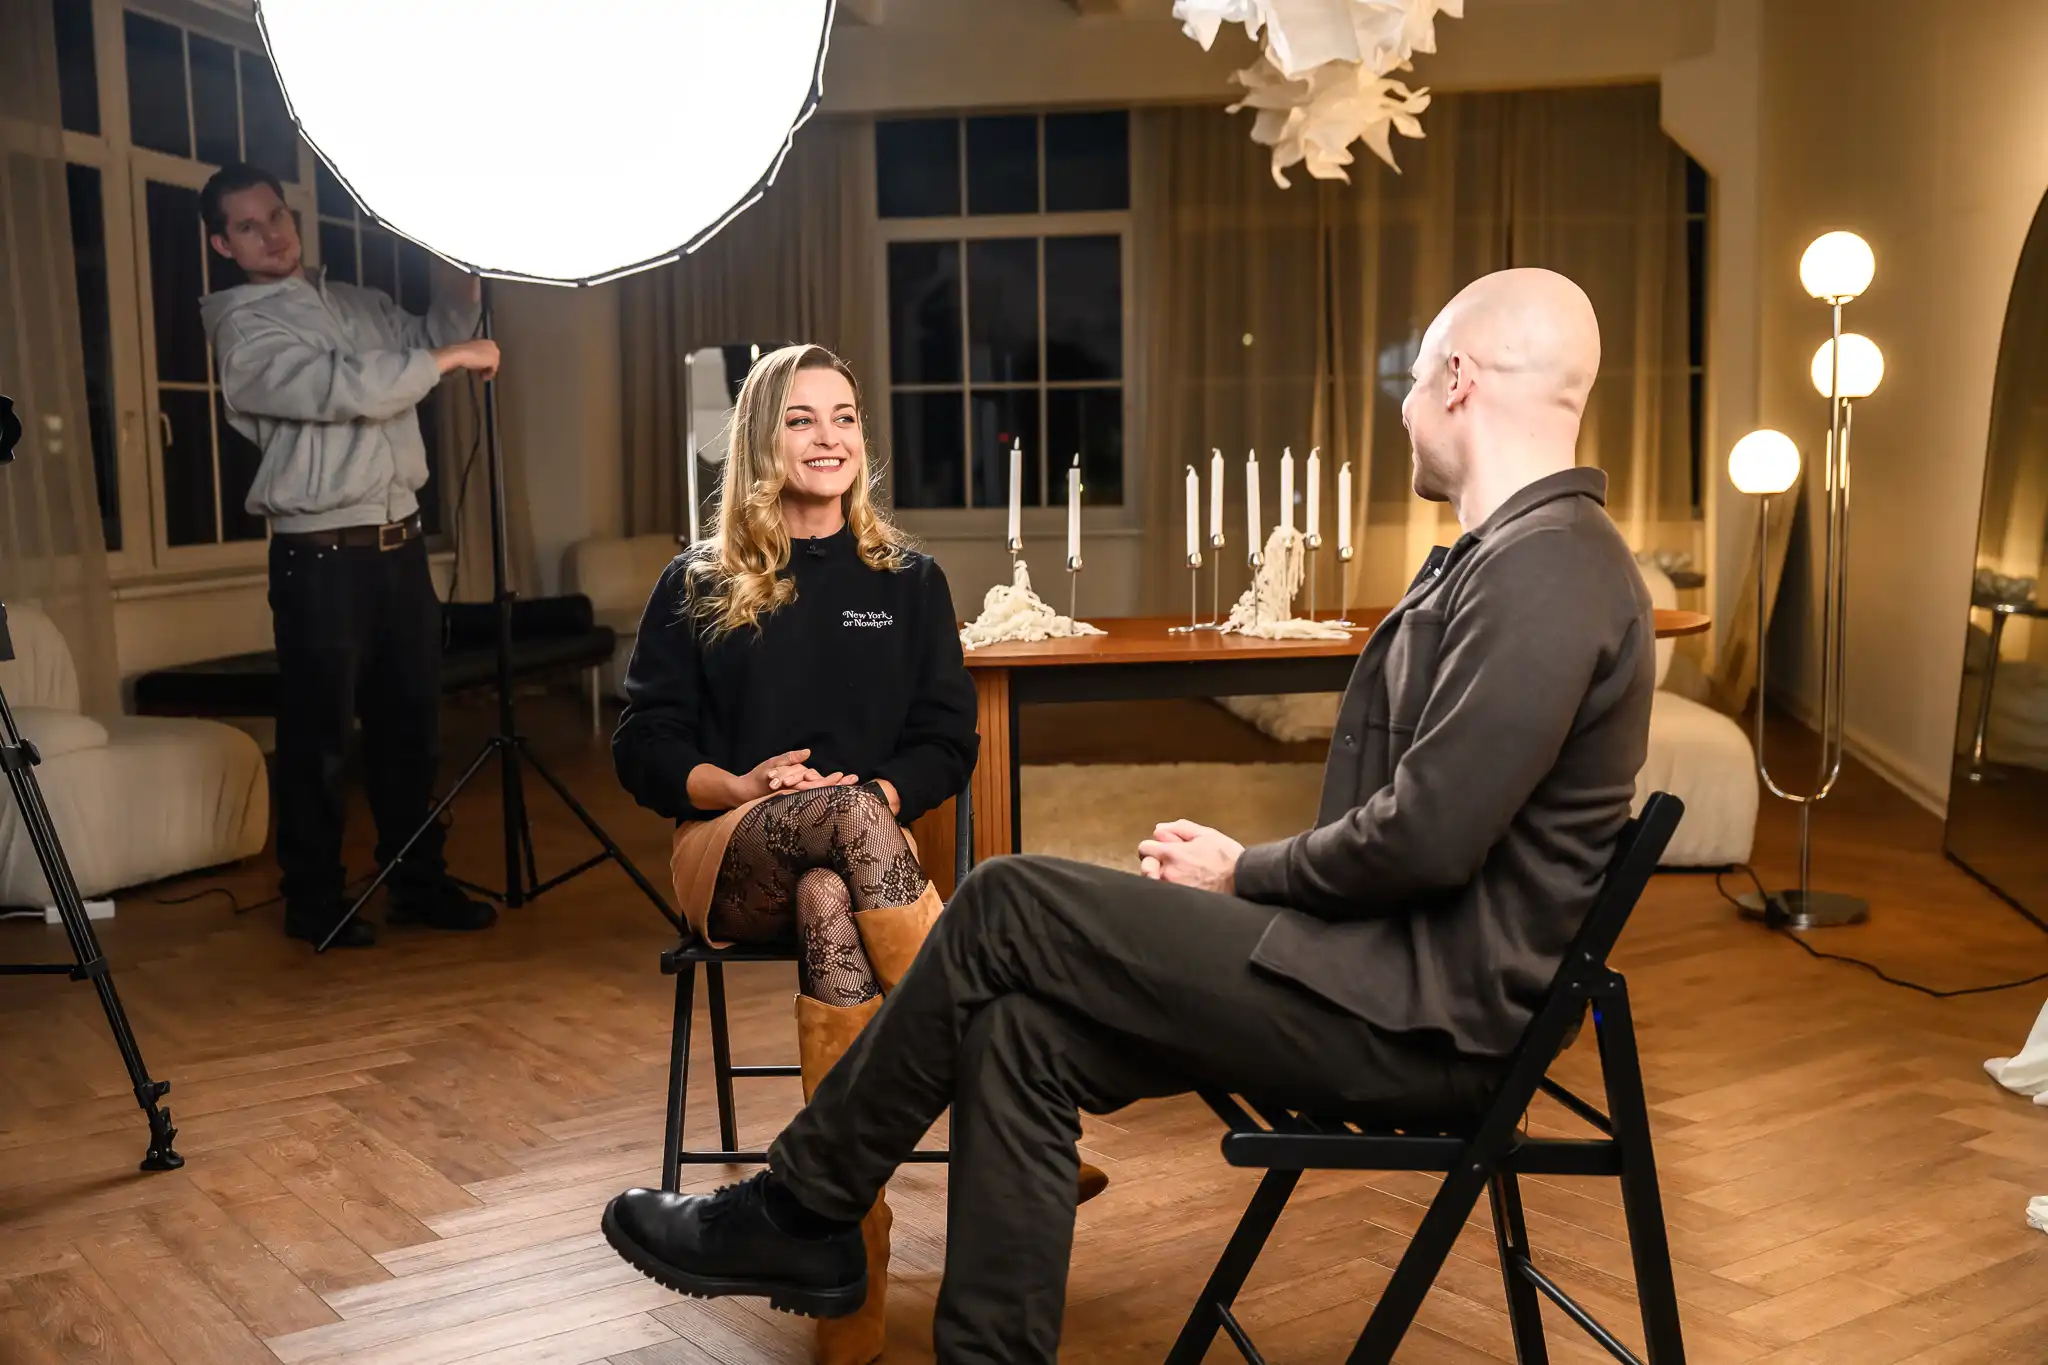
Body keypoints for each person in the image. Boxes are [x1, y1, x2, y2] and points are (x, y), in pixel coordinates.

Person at [600, 269, 1657, 1362]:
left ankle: (799, 1205)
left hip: (1412, 1020)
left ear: (1458, 380)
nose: (1402, 405)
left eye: (1415, 378)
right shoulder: (1513, 561)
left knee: (1005, 900)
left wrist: (1242, 872)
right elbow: (1421, 827)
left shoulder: (1546, 570)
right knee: (1014, 1033)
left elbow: (1426, 840)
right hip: (1366, 976)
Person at [610, 343, 1109, 1365]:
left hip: (855, 862)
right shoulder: (697, 579)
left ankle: (849, 1259)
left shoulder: (908, 580)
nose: (828, 438)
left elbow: (946, 738)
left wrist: (872, 798)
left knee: (831, 891)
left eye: (843, 417)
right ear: (763, 438)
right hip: (729, 850)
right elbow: (643, 743)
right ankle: (1007, 1102)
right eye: (801, 419)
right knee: (831, 839)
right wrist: (739, 786)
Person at [198, 163, 501, 948]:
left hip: (401, 546)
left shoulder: (357, 303)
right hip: (320, 559)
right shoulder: (242, 329)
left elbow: (436, 338)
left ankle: (417, 882)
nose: (273, 234)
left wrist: (458, 265)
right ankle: (314, 900)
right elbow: (346, 389)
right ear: (223, 245)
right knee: (321, 737)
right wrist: (451, 358)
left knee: (412, 728)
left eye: (277, 215)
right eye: (249, 227)